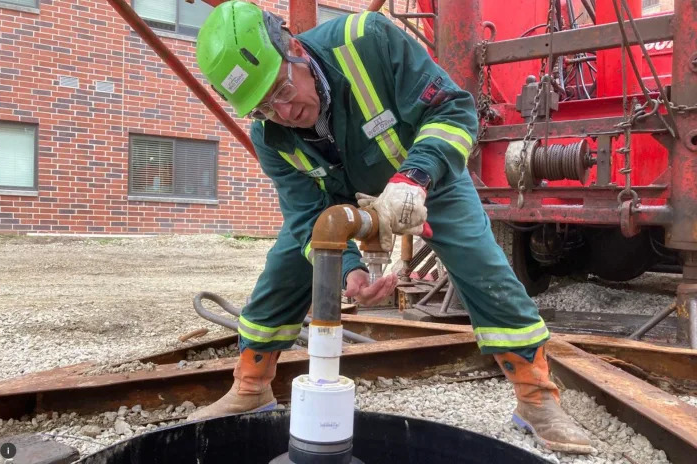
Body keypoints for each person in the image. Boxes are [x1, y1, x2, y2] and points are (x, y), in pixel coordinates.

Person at [189, 1, 592, 454]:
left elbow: (455, 111)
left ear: (295, 47)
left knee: (479, 261)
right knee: (289, 262)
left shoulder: (368, 40)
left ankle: (536, 398)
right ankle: (251, 384)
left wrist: (415, 178)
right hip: (343, 196)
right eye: (263, 107)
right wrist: (347, 270)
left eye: (282, 89)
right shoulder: (272, 137)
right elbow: (306, 216)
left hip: (426, 171)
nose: (284, 111)